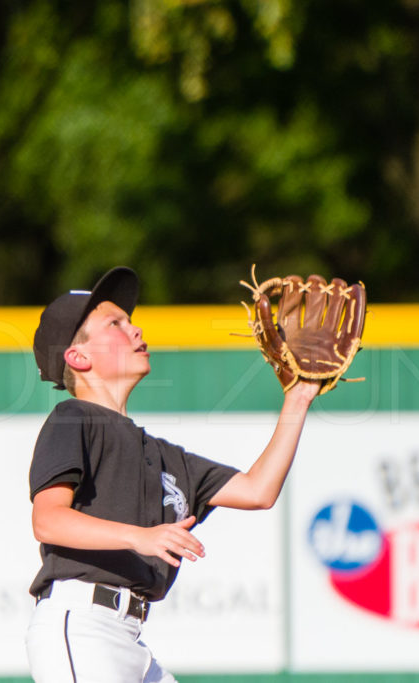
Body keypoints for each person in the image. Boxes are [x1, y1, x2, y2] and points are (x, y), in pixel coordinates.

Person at [26, 266, 319, 682]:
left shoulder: (161, 455)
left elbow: (258, 490)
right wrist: (139, 536)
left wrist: (299, 396)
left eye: (130, 320)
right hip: (82, 626)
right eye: (115, 323)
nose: (135, 329)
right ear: (79, 356)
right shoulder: (72, 419)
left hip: (129, 639)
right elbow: (48, 519)